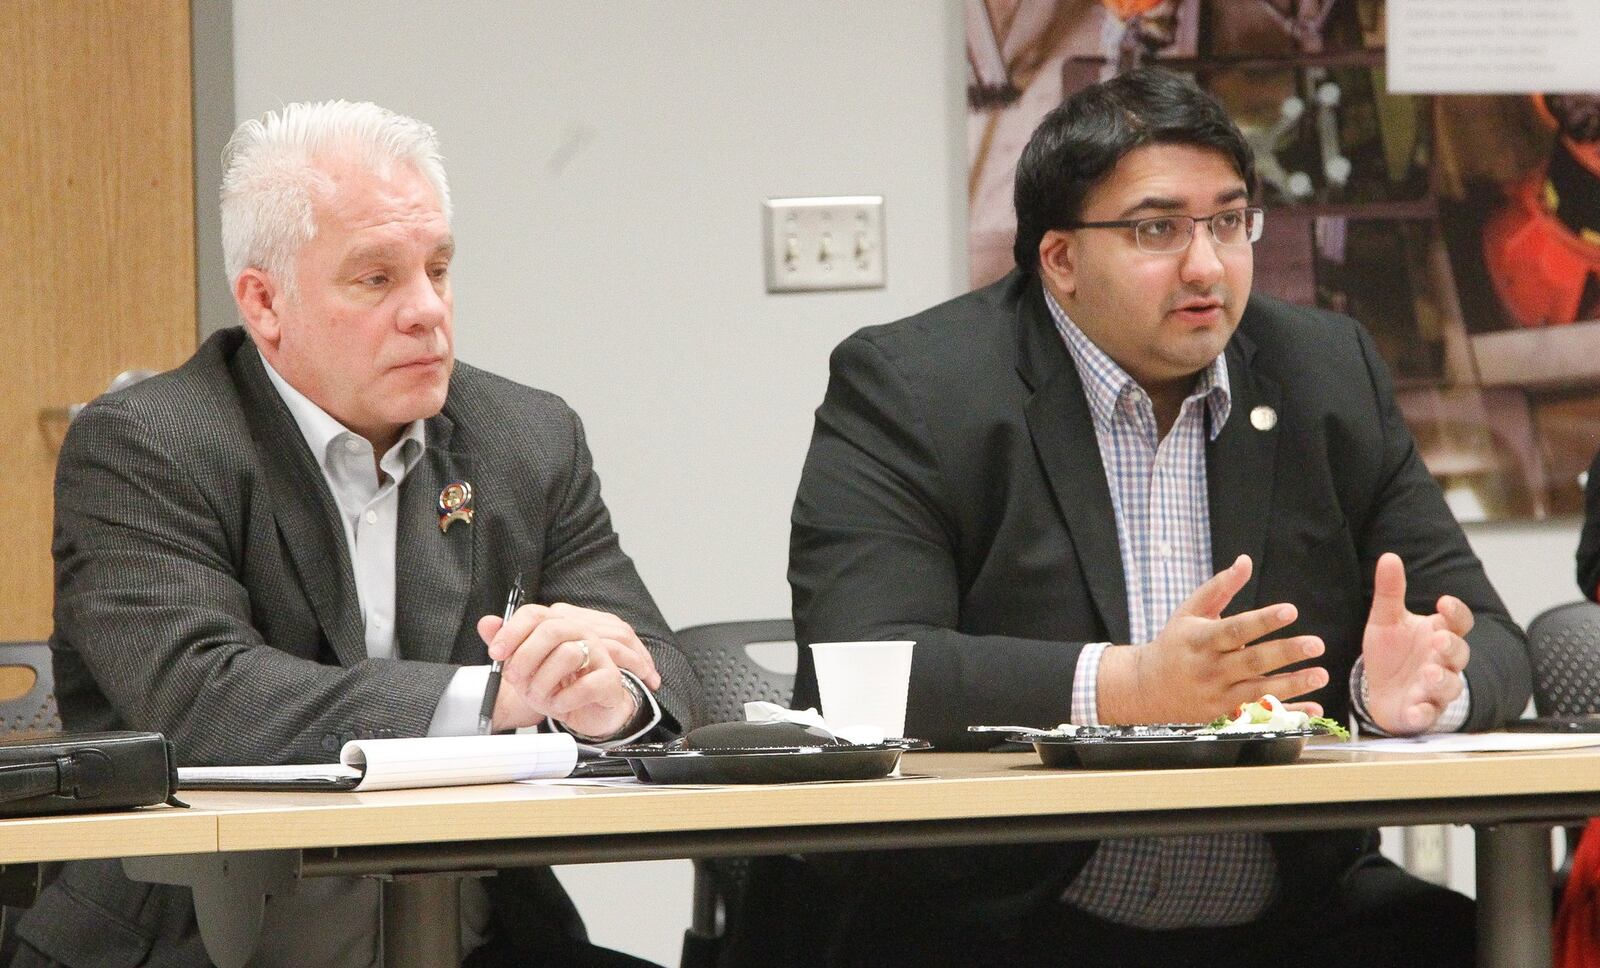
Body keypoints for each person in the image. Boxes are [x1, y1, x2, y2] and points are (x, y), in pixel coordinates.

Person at [760, 68, 1532, 968]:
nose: (1206, 264)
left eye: (1230, 221)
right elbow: (862, 670)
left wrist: (1410, 696)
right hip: (997, 920)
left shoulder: (1325, 369)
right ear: (1060, 259)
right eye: (1156, 229)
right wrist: (1132, 691)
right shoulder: (915, 386)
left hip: (1294, 920)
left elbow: (1500, 644)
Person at [6, 101, 701, 968]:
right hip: (203, 942)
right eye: (376, 280)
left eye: (438, 270)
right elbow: (204, 699)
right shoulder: (152, 443)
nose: (426, 312)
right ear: (265, 303)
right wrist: (492, 700)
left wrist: (614, 699)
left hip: (475, 936)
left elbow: (669, 674)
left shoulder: (526, 435)